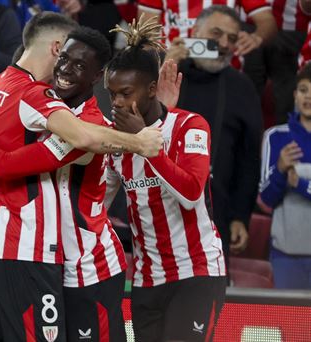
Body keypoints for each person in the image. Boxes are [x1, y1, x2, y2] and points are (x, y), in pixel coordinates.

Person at [0, 12, 162, 342]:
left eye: (79, 66)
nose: (65, 69)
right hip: (45, 259)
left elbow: (6, 162)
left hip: (89, 265)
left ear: (96, 78)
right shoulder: (41, 108)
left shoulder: (91, 127)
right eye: (64, 58)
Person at [103, 17, 227, 342]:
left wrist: (144, 142)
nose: (116, 103)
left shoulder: (190, 126)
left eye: (125, 93)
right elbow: (96, 204)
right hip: (146, 280)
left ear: (153, 89)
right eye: (111, 93)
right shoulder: (115, 142)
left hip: (195, 273)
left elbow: (190, 192)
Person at [165, 5, 262, 258]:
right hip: (158, 204)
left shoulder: (242, 87)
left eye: (231, 38)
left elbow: (249, 158)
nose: (223, 43)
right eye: (216, 34)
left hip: (215, 214)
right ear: (195, 31)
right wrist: (164, 66)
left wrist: (241, 216)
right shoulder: (166, 72)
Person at [259, 63, 311, 289]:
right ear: (295, 95)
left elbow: (297, 183)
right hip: (287, 255)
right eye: (303, 89)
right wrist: (280, 169)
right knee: (291, 324)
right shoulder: (275, 137)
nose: (308, 97)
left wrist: (299, 184)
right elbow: (266, 199)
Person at [137, 0, 277, 58]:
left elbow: (267, 21)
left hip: (223, 64)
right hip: (175, 64)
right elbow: (146, 31)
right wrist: (161, 60)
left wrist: (256, 37)